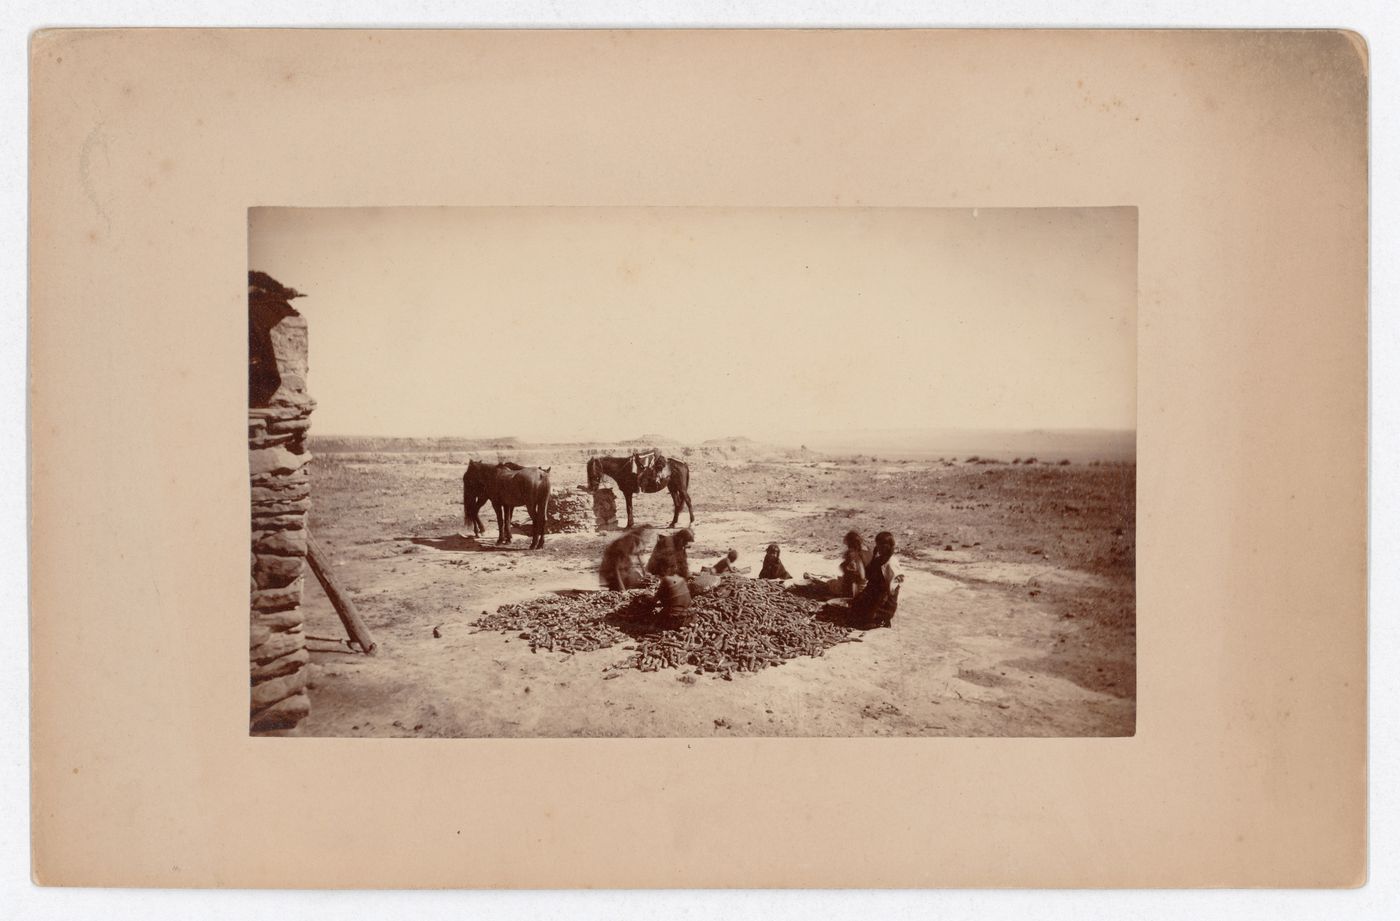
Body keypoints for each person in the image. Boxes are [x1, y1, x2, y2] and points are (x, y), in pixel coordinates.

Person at [850, 531, 904, 628]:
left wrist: (877, 600)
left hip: (884, 601)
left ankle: (883, 618)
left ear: (888, 546)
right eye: (877, 545)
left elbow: (892, 590)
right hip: (874, 595)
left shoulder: (891, 563)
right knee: (854, 608)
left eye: (881, 545)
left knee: (864, 620)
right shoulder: (880, 559)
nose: (879, 548)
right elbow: (869, 575)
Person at [802, 530, 871, 598]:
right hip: (868, 585)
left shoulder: (854, 554)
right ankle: (814, 576)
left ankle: (812, 577)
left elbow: (861, 576)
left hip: (853, 588)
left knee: (828, 583)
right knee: (833, 579)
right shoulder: (868, 550)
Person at [598, 525, 652, 590]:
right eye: (648, 535)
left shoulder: (639, 541)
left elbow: (639, 558)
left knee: (636, 576)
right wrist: (622, 588)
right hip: (611, 569)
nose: (649, 537)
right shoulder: (629, 541)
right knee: (623, 580)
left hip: (623, 567)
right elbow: (615, 568)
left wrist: (644, 575)